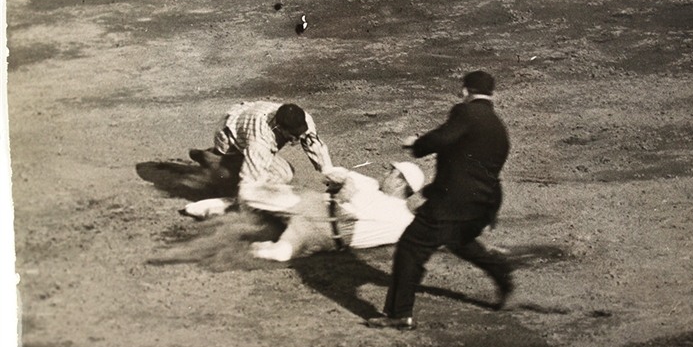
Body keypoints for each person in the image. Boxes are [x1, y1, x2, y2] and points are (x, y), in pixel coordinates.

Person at [368, 71, 514, 330]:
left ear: (465, 91)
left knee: (412, 246)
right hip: (484, 203)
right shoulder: (498, 126)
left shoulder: (466, 113)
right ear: (492, 94)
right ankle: (502, 273)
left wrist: (417, 144)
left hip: (451, 202)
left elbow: (443, 138)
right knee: (459, 240)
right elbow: (470, 157)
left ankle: (399, 314)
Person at [247, 162, 425, 262]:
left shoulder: (370, 186)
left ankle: (234, 228)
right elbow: (332, 174)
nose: (386, 174)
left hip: (314, 210)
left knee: (251, 194)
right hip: (328, 237)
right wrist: (343, 181)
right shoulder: (405, 222)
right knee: (280, 250)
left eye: (391, 173)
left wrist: (346, 182)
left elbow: (334, 174)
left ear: (400, 182)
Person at [189, 100, 333, 192]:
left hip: (245, 118)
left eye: (301, 132)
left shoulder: (304, 119)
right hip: (229, 138)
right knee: (281, 175)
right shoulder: (260, 139)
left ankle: (219, 161)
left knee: (281, 172)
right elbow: (250, 183)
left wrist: (332, 179)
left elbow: (317, 150)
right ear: (280, 128)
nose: (299, 138)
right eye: (294, 135)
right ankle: (214, 159)